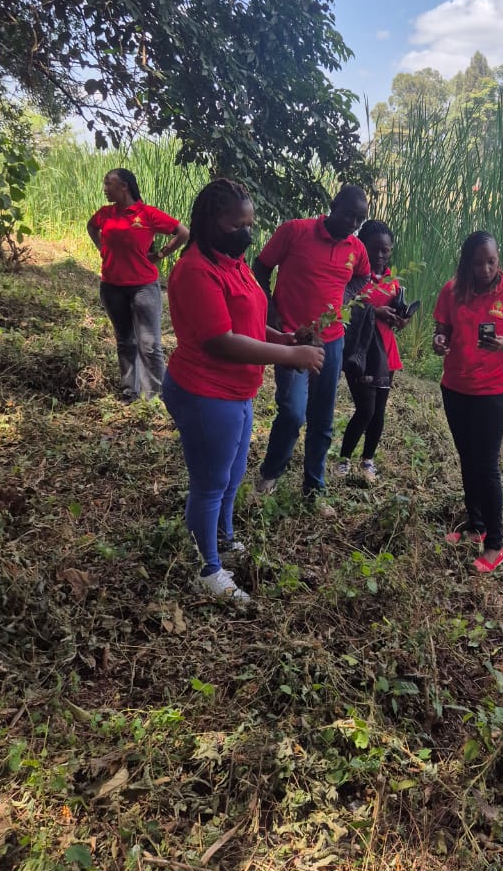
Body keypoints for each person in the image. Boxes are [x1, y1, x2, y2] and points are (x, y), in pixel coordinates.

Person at [162, 178, 324, 602]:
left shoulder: (234, 264)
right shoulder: (196, 270)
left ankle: (224, 537)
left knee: (232, 476)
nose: (247, 234)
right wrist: (290, 355)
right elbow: (221, 341)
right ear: (210, 222)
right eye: (237, 225)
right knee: (210, 482)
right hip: (205, 390)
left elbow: (247, 322)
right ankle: (206, 568)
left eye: (250, 224)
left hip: (237, 390)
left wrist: (283, 337)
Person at [252, 185, 371, 510]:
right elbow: (261, 267)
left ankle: (314, 488)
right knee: (292, 412)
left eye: (359, 220)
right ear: (333, 205)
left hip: (331, 341)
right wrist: (271, 312)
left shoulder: (356, 249)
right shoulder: (295, 231)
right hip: (293, 337)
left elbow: (363, 277)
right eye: (349, 215)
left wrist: (346, 296)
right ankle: (270, 474)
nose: (353, 224)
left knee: (322, 418)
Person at [433, 231, 503, 574]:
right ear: (467, 263)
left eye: (491, 261)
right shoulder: (452, 290)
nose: (486, 269)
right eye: (478, 263)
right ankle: (475, 527)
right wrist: (439, 340)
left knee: (487, 464)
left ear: (498, 258)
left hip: (494, 393)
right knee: (467, 458)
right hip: (455, 388)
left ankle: (495, 544)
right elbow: (442, 328)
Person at [87, 168, 189, 402]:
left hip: (144, 287)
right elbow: (91, 227)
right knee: (125, 341)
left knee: (150, 344)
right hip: (112, 287)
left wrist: (161, 254)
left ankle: (157, 397)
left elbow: (183, 232)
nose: (105, 189)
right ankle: (129, 393)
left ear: (124, 186)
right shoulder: (105, 213)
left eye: (109, 183)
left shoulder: (146, 214)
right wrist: (101, 247)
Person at [334, 219, 407, 481]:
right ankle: (343, 459)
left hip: (386, 352)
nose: (379, 255)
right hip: (360, 352)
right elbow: (342, 309)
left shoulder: (393, 281)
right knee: (365, 409)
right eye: (374, 249)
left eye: (385, 250)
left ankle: (368, 460)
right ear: (362, 247)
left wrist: (401, 319)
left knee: (378, 411)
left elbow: (395, 318)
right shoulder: (353, 277)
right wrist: (374, 312)